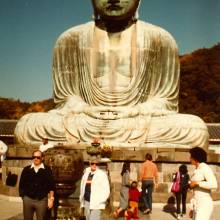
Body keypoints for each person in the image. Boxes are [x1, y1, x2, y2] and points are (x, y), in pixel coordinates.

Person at [15, 0, 208, 150]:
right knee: (27, 126)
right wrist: (84, 109)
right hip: (86, 120)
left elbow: (164, 100)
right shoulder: (70, 39)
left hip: (137, 119)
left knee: (195, 129)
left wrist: (134, 111)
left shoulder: (160, 39)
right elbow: (66, 98)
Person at [19, 150, 55, 220]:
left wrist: (51, 199)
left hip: (41, 201)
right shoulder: (26, 169)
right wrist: (23, 197)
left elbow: (51, 186)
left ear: (42, 158)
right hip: (28, 200)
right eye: (34, 157)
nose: (36, 159)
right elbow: (21, 185)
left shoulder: (47, 170)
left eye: (38, 157)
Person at [189, 147, 218, 220]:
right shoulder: (197, 170)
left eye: (191, 156)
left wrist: (197, 183)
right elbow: (196, 192)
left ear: (195, 157)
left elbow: (214, 184)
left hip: (204, 204)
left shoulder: (205, 168)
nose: (190, 158)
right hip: (197, 204)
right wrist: (192, 208)